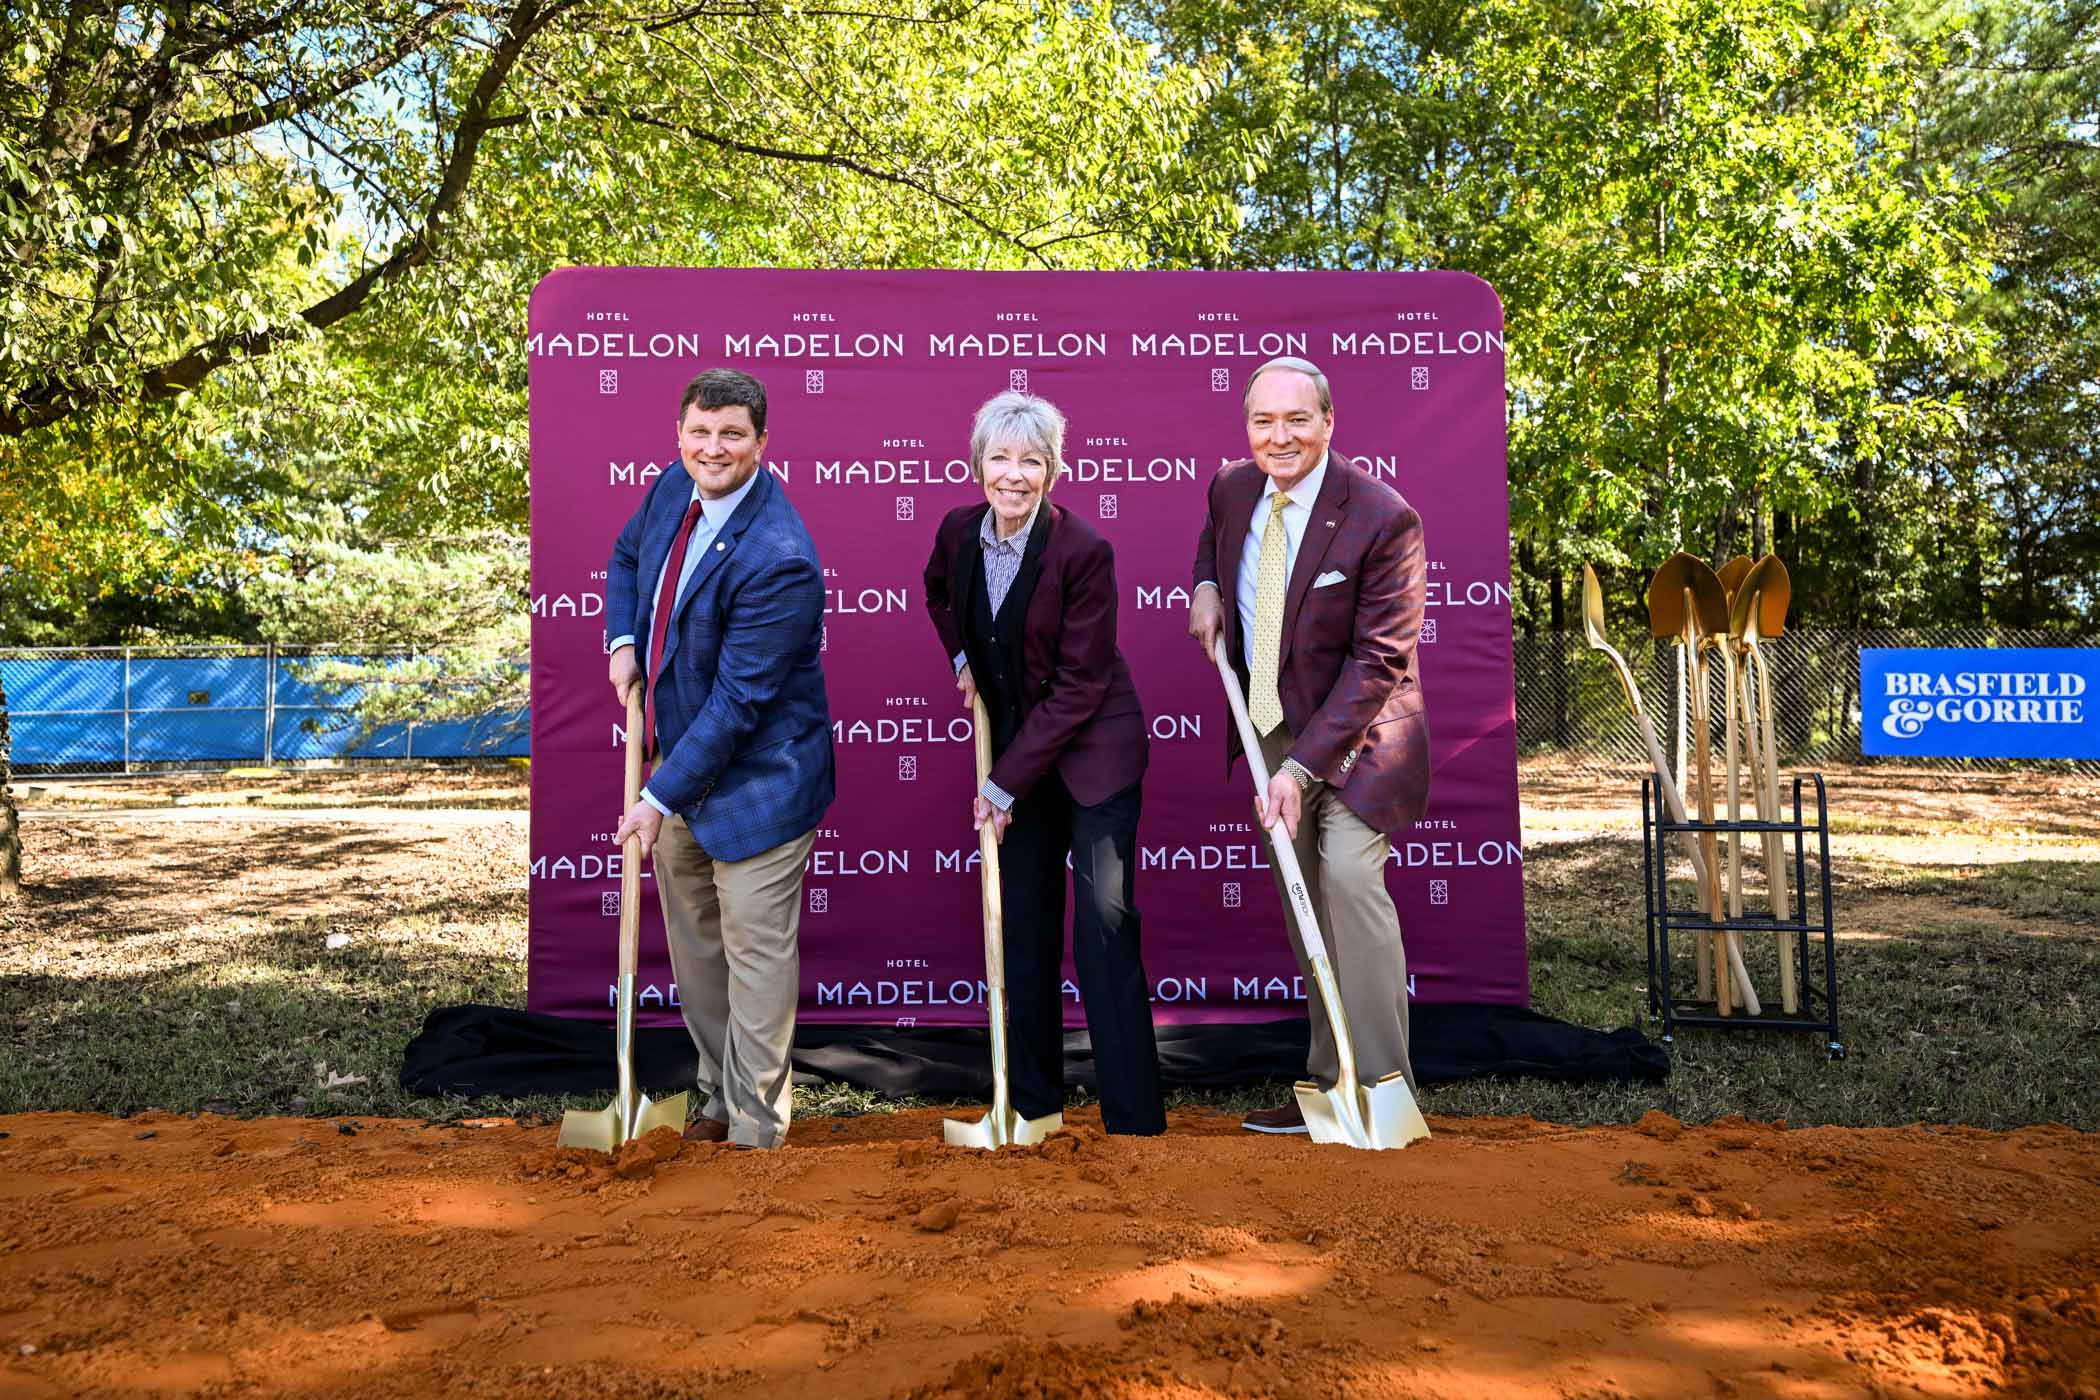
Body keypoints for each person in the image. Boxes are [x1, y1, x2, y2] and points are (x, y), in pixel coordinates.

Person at [1186, 356, 1431, 1135]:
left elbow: (1379, 661)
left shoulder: (1383, 516)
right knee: (1306, 905)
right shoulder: (1230, 489)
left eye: (1297, 419)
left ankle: (1385, 1087)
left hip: (1361, 736)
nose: (1279, 436)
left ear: (1330, 423)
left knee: (1352, 887)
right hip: (1269, 725)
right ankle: (1331, 1081)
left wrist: (1301, 764)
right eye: (1264, 421)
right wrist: (1208, 589)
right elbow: (1213, 545)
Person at [922, 390, 1166, 1136]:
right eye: (1000, 458)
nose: (1014, 475)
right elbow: (936, 591)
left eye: (1032, 460)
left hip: (1093, 756)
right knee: (1022, 928)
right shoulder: (960, 532)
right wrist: (963, 655)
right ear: (979, 464)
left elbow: (1080, 687)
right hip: (1020, 762)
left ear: (1054, 470)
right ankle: (1032, 1107)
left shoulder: (1083, 550)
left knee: (1102, 923)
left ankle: (1133, 1120)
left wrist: (1001, 785)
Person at [605, 368, 834, 1150]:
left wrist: (656, 796)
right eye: (700, 434)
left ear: (763, 443)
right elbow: (628, 555)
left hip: (758, 785)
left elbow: (738, 705)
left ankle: (757, 1129)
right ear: (680, 436)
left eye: (732, 435)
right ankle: (715, 1097)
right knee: (699, 952)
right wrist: (625, 639)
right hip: (679, 776)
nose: (713, 449)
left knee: (755, 958)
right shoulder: (673, 488)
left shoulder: (780, 557)